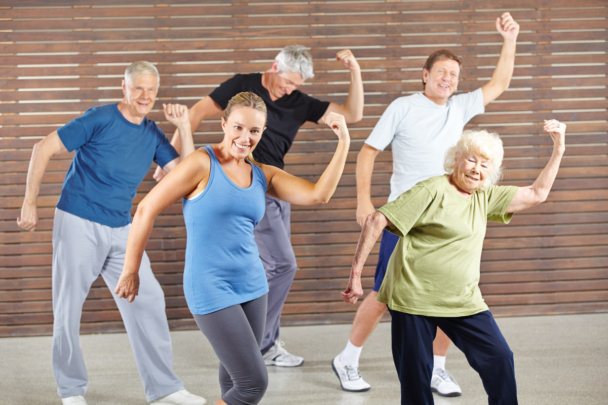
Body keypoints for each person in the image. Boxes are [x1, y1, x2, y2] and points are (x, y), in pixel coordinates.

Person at [114, 92, 351, 405]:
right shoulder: (202, 163)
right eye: (238, 127)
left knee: (234, 379)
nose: (245, 137)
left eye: (254, 131)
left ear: (262, 133)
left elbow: (319, 194)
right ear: (224, 123)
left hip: (253, 286)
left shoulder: (262, 175)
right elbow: (146, 209)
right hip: (209, 285)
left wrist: (344, 141)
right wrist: (131, 269)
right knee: (253, 383)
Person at [332, 12, 520, 395]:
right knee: (385, 293)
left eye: (454, 74)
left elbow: (500, 83)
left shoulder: (461, 107)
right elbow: (368, 152)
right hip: (407, 217)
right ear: (425, 74)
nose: (448, 78)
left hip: (449, 215)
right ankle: (347, 358)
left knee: (446, 293)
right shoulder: (403, 107)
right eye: (441, 72)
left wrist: (510, 39)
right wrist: (364, 201)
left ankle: (436, 366)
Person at [155, 45, 364, 366]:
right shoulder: (242, 86)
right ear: (274, 66)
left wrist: (355, 70)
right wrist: (169, 160)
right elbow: (194, 113)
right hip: (243, 186)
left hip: (275, 186)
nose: (289, 89)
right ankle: (262, 345)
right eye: (286, 82)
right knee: (283, 264)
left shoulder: (298, 102)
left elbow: (352, 115)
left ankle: (256, 341)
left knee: (269, 266)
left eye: (295, 85)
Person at [16, 61, 205, 405]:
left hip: (122, 228)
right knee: (68, 306)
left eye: (151, 90)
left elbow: (186, 177)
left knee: (148, 299)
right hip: (78, 221)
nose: (145, 96)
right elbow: (42, 147)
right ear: (125, 87)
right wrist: (30, 203)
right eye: (139, 88)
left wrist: (184, 127)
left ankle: (164, 389)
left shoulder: (152, 134)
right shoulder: (99, 118)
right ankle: (71, 390)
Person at [341, 120, 567, 405]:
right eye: (471, 159)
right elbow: (376, 220)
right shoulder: (432, 189)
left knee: (499, 357)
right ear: (456, 160)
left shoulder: (485, 196)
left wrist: (559, 148)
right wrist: (356, 276)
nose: (477, 169)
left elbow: (537, 194)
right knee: (416, 380)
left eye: (485, 164)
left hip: (462, 301)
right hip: (413, 300)